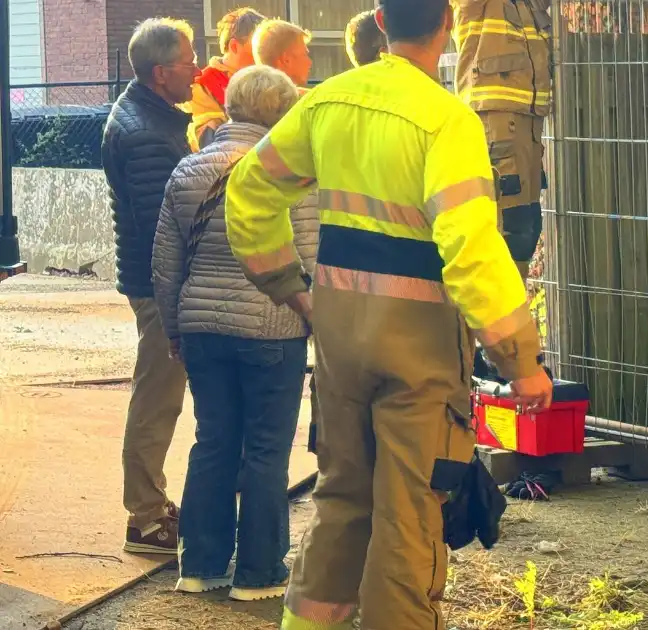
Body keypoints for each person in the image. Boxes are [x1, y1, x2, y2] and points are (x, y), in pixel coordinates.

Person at [223, 1, 553, 626]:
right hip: (419, 355)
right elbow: (472, 251)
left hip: (342, 341)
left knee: (341, 499)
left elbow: (249, 189)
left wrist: (288, 284)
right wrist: (521, 362)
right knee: (408, 519)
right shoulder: (447, 121)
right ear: (448, 25)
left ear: (378, 19)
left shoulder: (326, 102)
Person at [152, 65, 316, 601]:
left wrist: (176, 329)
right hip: (274, 325)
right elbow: (309, 258)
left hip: (202, 330)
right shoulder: (291, 176)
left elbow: (166, 266)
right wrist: (322, 325)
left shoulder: (187, 171)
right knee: (267, 449)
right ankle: (260, 573)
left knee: (213, 442)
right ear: (282, 113)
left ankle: (199, 565)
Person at [101, 17, 201, 554]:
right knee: (157, 397)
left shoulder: (150, 114)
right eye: (189, 61)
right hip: (160, 285)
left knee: (160, 393)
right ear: (162, 72)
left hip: (155, 280)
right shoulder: (144, 133)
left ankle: (152, 503)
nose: (197, 69)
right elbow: (166, 226)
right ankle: (144, 515)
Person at [452, 0, 552, 282]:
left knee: (528, 225)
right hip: (495, 122)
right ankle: (500, 315)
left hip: (528, 124)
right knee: (510, 226)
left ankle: (512, 312)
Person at [188, 7, 267, 151]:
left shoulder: (267, 79)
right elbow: (208, 142)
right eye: (258, 48)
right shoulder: (203, 84)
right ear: (234, 46)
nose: (263, 54)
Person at [252, 18, 313, 88]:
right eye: (304, 54)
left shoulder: (253, 96)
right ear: (286, 60)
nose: (309, 62)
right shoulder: (308, 98)